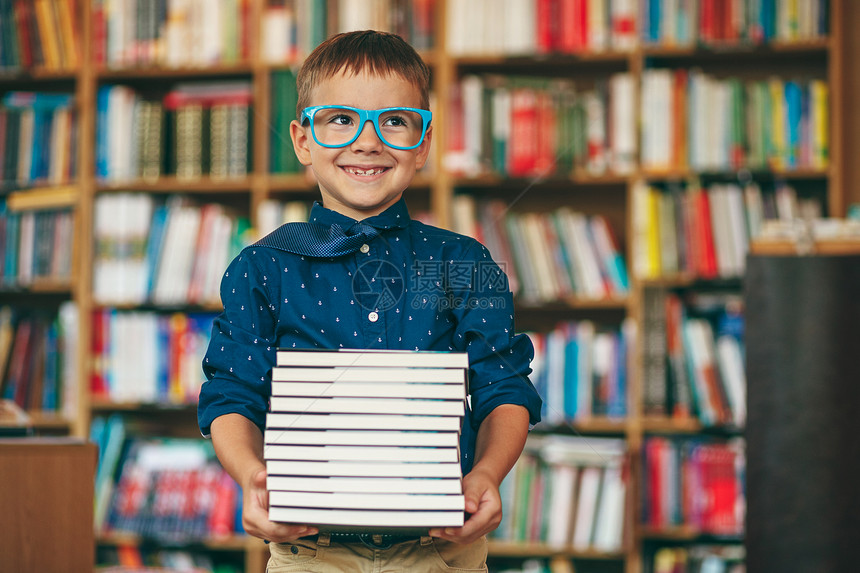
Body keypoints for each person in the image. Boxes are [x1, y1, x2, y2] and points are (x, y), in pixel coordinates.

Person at [198, 29, 542, 572]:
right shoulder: (262, 268)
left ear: (423, 143)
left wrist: (486, 476)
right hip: (309, 552)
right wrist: (250, 476)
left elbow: (505, 386)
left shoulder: (466, 263)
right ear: (302, 140)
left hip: (441, 549)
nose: (367, 141)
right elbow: (231, 392)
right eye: (340, 119)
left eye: (395, 121)